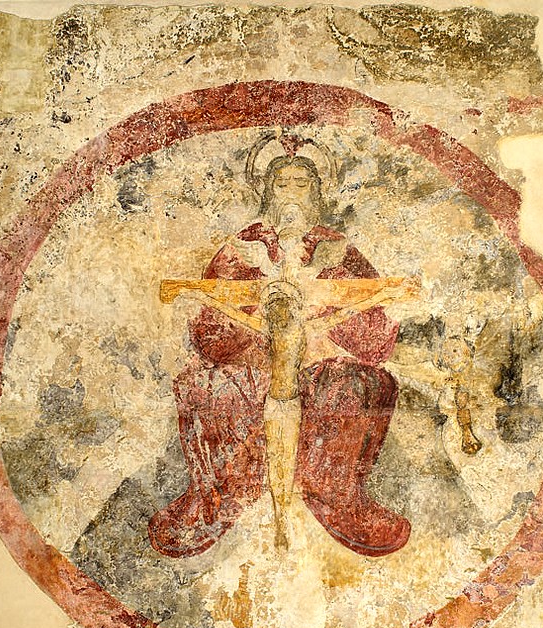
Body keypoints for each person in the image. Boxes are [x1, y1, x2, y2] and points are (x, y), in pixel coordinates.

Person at [148, 153, 411, 558]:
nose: (291, 194)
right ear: (266, 191)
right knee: (203, 387)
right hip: (250, 362)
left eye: (301, 184)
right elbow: (208, 327)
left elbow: (375, 330)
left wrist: (321, 313)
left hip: (323, 362)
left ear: (318, 192)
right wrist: (256, 325)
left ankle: (337, 496)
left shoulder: (338, 249)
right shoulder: (241, 247)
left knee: (361, 387)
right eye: (282, 183)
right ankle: (220, 496)